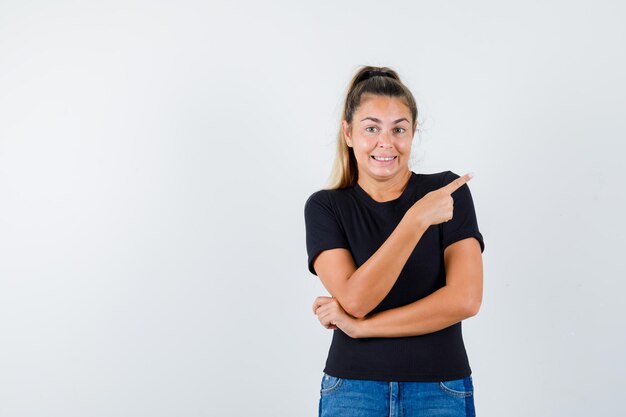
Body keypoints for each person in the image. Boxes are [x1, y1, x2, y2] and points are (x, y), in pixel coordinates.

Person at [303, 65, 485, 417]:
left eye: (398, 129)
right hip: (353, 390)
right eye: (371, 128)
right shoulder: (326, 207)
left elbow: (465, 300)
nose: (386, 142)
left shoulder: (448, 193)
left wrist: (363, 328)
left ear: (413, 131)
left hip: (440, 388)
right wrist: (415, 221)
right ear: (349, 133)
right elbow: (356, 299)